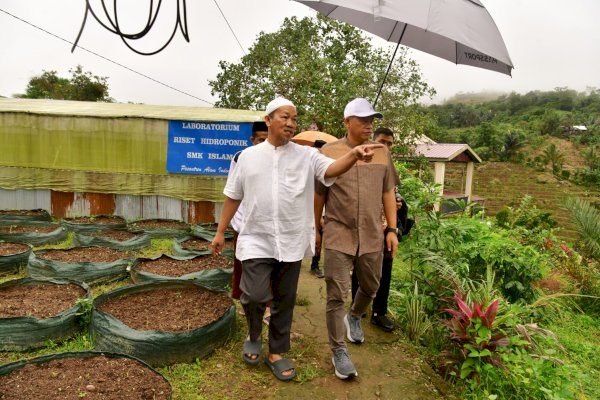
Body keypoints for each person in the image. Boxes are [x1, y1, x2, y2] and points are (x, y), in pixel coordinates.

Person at [211, 97, 383, 382]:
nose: (291, 123)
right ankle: (254, 333)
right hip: (255, 237)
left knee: (284, 299)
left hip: (290, 240)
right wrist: (220, 231)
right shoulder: (247, 157)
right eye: (284, 117)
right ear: (268, 120)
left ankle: (277, 352)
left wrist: (354, 155)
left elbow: (330, 169)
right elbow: (233, 195)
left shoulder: (306, 156)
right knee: (252, 294)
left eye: (294, 118)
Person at [315, 98, 400, 380]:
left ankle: (355, 316)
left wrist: (392, 230)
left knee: (371, 285)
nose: (368, 125)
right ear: (346, 122)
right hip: (339, 232)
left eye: (371, 120)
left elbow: (388, 192)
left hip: (373, 233)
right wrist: (315, 227)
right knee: (336, 293)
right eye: (362, 119)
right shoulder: (328, 152)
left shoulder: (383, 154)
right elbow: (319, 194)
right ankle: (338, 350)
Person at [350, 127, 401, 332]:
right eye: (382, 141)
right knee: (360, 269)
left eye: (389, 143)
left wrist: (392, 225)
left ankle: (380, 312)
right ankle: (357, 309)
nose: (386, 146)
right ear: (373, 140)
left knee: (385, 271)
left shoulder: (388, 163)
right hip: (365, 226)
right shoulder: (361, 160)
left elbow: (392, 192)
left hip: (385, 228)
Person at [229, 121, 269, 321]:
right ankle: (244, 300)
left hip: (267, 222)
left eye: (267, 139)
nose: (264, 143)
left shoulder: (276, 158)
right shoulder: (240, 158)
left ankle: (267, 307)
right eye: (261, 139)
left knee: (268, 263)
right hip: (243, 220)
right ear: (252, 140)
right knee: (241, 262)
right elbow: (233, 192)